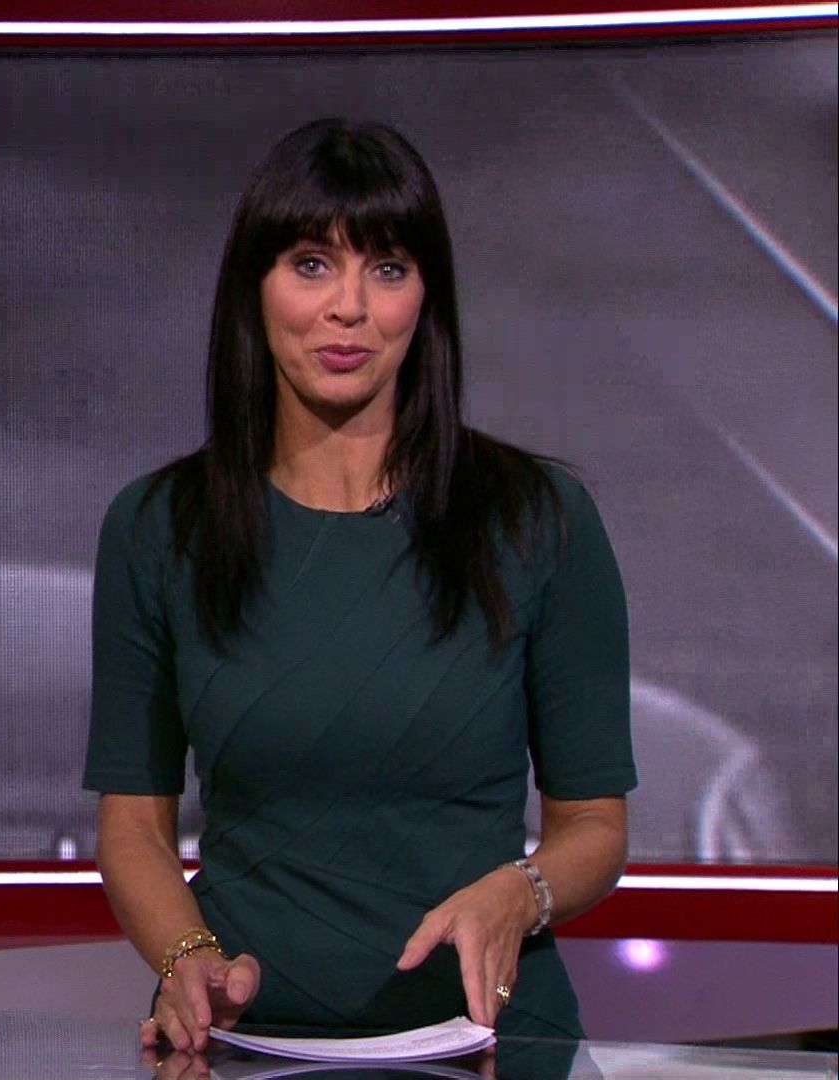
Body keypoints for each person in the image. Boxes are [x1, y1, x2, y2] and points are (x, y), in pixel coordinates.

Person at [83, 119, 636, 1057]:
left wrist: (522, 891)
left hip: (489, 1040)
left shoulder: (539, 519)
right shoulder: (158, 529)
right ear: (254, 288)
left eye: (386, 269)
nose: (349, 308)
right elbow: (133, 826)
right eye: (311, 265)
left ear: (427, 297)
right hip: (248, 1039)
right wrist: (187, 956)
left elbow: (593, 824)